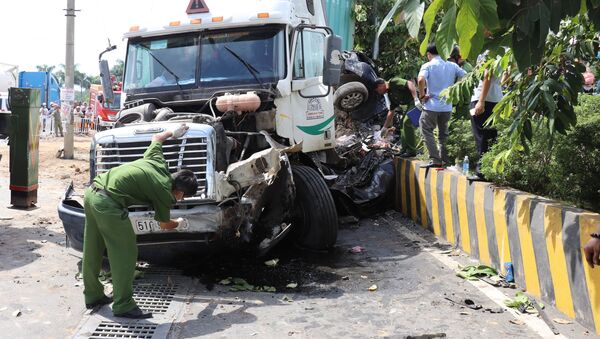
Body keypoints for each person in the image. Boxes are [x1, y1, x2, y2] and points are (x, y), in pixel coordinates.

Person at [82, 124, 198, 319]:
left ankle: (93, 295)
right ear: (179, 192)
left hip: (92, 193)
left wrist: (173, 132)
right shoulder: (163, 191)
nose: (181, 200)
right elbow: (163, 224)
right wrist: (179, 222)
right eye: (183, 197)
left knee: (93, 248)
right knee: (125, 253)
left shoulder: (158, 162)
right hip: (109, 204)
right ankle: (124, 305)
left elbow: (157, 138)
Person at [417, 43, 467, 167]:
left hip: (431, 106)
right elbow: (466, 75)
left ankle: (435, 159)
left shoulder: (428, 65)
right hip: (447, 106)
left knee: (426, 130)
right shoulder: (452, 65)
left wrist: (422, 96)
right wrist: (455, 89)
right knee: (443, 134)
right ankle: (445, 160)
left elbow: (420, 80)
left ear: (429, 54)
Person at [468, 53, 504, 180]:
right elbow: (507, 74)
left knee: (481, 135)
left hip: (483, 98)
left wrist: (481, 101)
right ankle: (491, 170)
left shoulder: (488, 52)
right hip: (496, 98)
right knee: (492, 135)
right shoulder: (501, 50)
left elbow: (487, 75)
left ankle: (482, 171)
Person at [374, 77, 421, 157]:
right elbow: (391, 111)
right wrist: (384, 127)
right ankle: (404, 149)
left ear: (381, 85)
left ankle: (412, 151)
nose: (380, 93)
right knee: (402, 123)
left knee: (406, 122)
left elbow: (410, 83)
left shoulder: (394, 82)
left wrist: (416, 98)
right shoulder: (390, 94)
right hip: (410, 104)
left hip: (417, 102)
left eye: (379, 90)